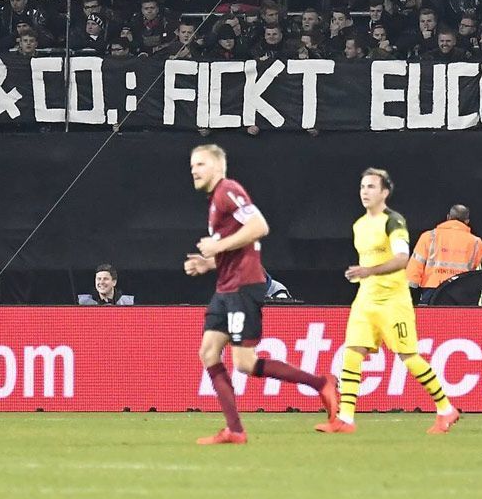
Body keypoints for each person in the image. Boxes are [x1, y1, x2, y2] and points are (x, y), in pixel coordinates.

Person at [184, 144, 339, 445]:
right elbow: (237, 244)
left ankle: (322, 383)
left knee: (244, 362)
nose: (194, 169)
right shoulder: (216, 200)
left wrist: (216, 247)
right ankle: (235, 430)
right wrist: (209, 262)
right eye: (192, 164)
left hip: (243, 285)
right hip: (226, 286)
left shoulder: (227, 189)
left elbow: (259, 226)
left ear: (217, 166)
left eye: (200, 164)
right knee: (208, 352)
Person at [316, 168, 460, 434]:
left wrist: (368, 271)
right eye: (362, 187)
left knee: (409, 357)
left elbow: (402, 259)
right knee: (352, 353)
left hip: (393, 301)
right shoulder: (359, 225)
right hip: (365, 299)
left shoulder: (393, 221)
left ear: (385, 192)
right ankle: (346, 419)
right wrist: (363, 274)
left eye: (371, 187)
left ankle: (446, 409)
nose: (365, 192)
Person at [405, 204, 482, 298]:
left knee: (431, 313)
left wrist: (411, 288)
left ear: (448, 217)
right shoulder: (477, 243)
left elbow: (416, 264)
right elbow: (474, 268)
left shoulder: (429, 236)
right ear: (467, 221)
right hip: (461, 291)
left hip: (433, 288)